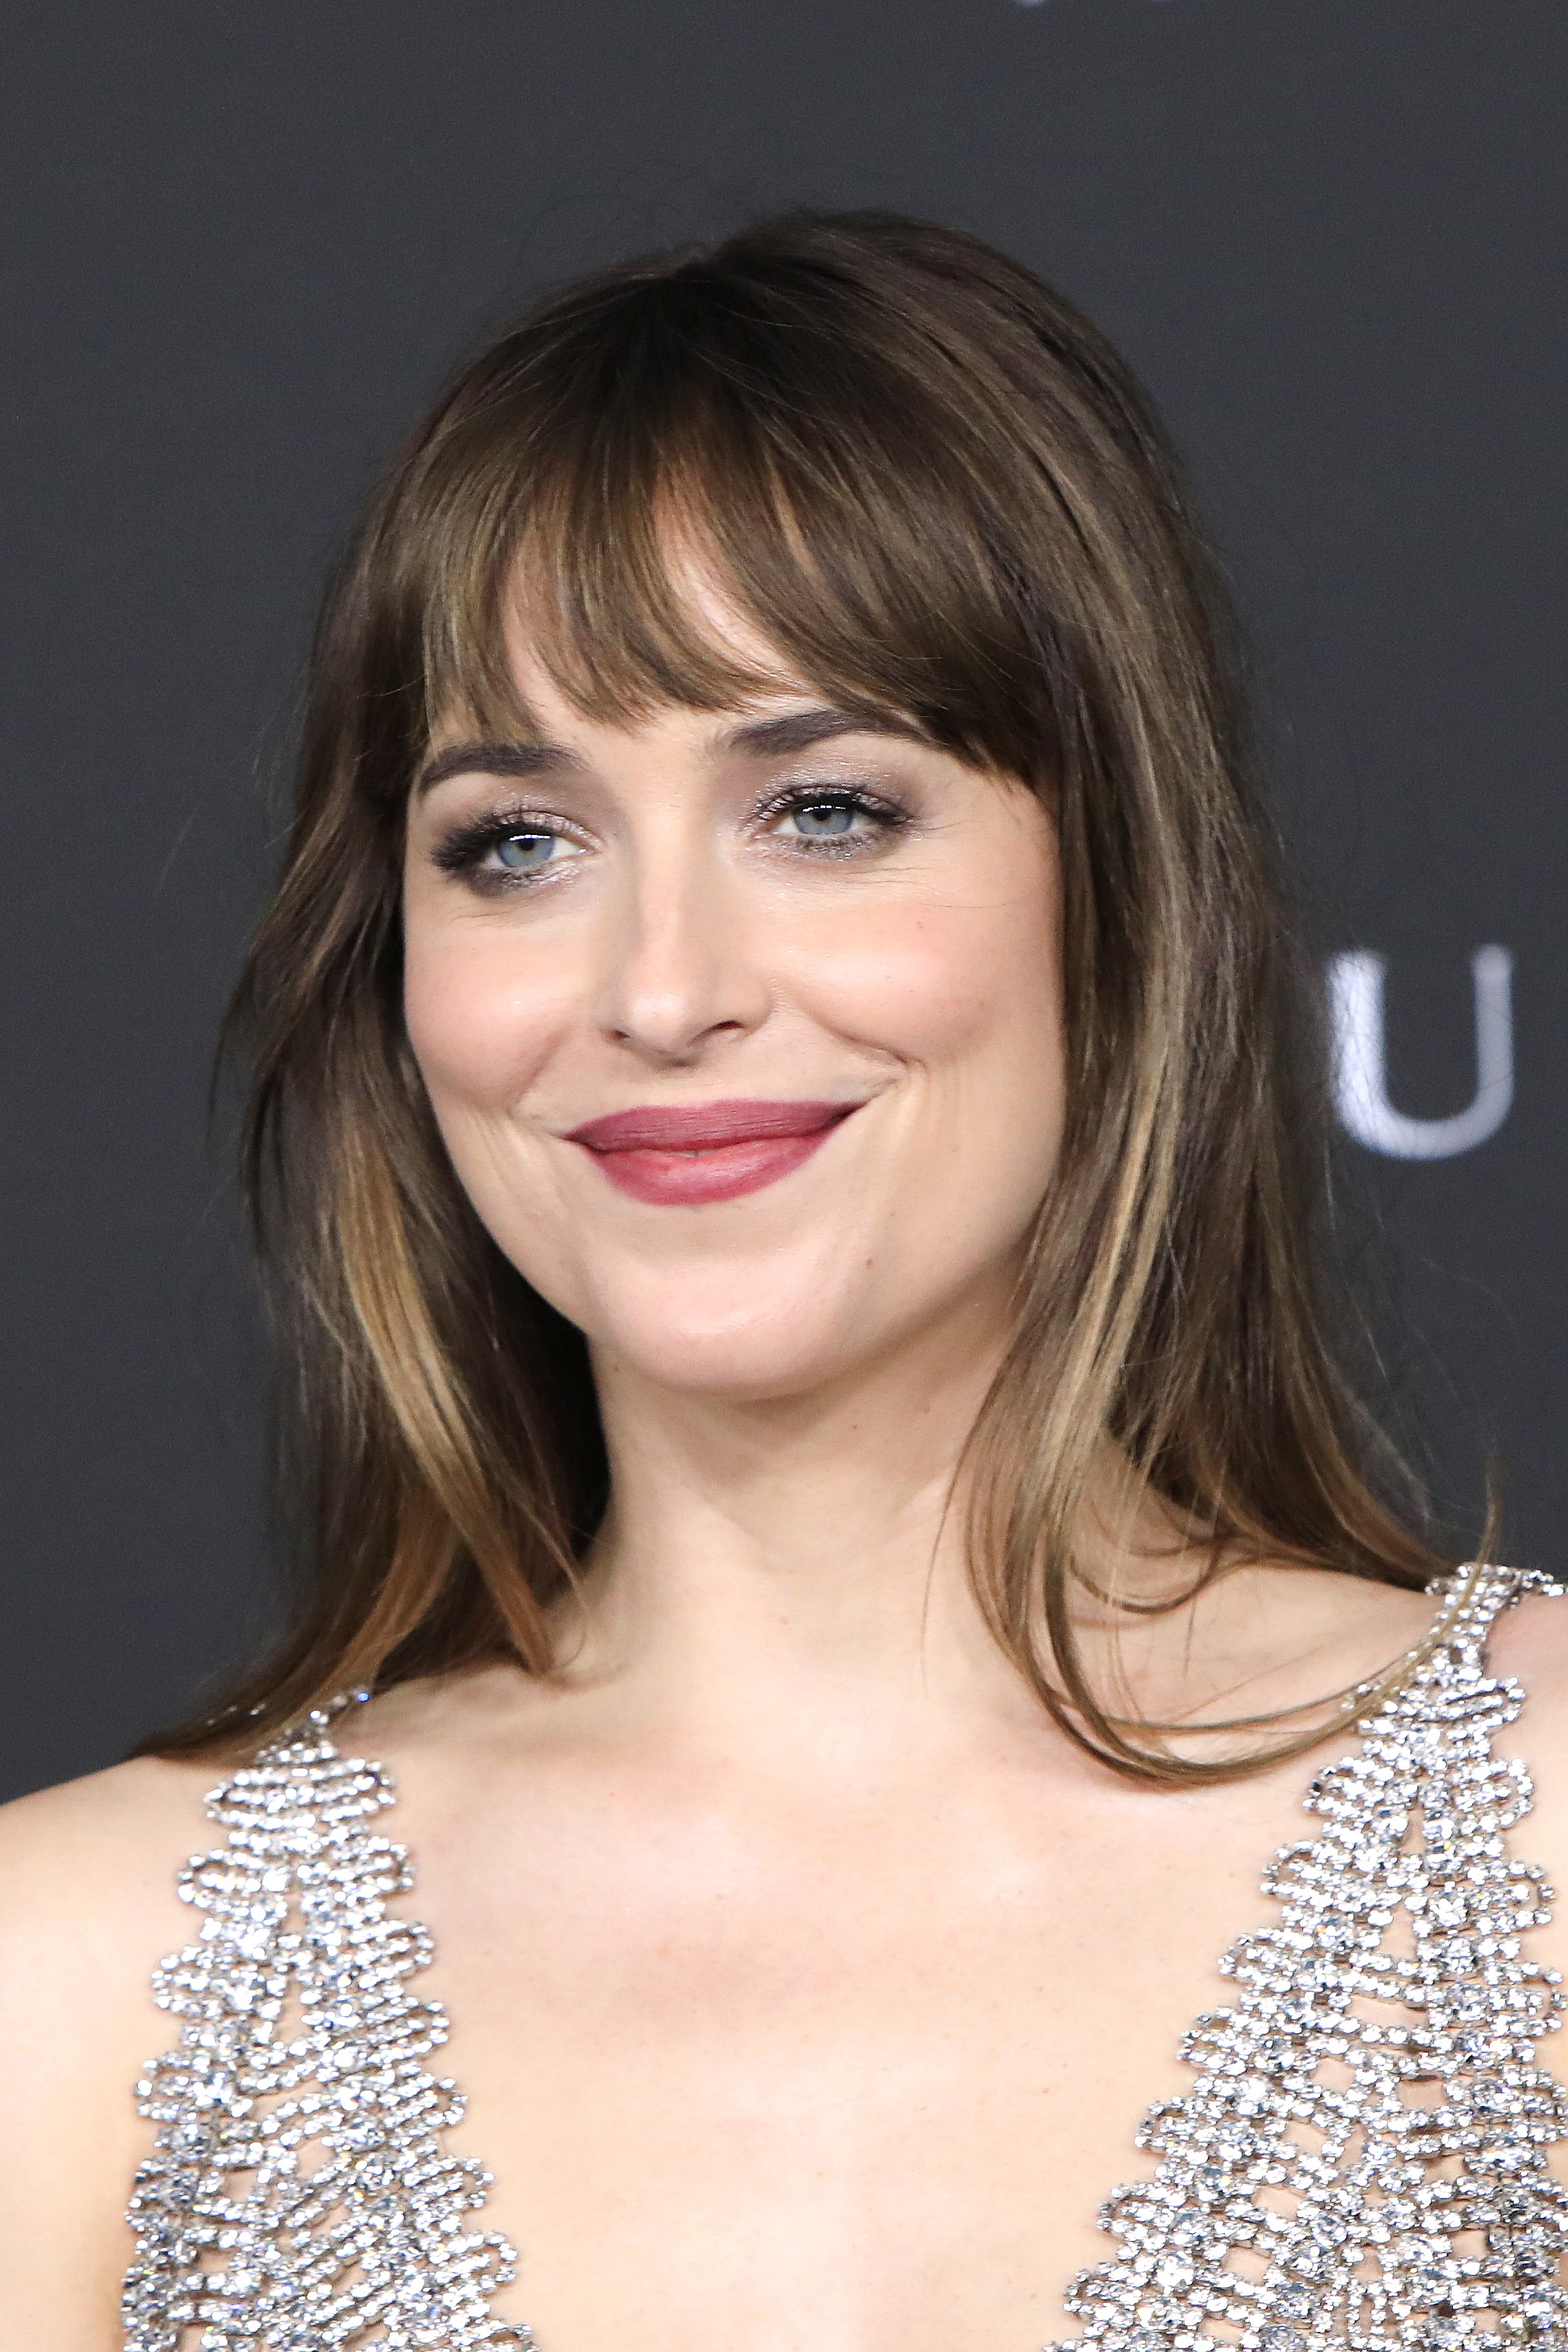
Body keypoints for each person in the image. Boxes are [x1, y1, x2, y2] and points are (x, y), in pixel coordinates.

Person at [0, 210, 1563, 2352]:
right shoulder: (79, 1991)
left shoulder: (1535, 1830)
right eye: (517, 844)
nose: (661, 991)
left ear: (1118, 895)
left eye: (823, 811)